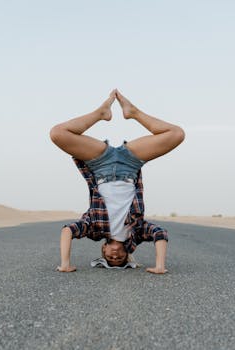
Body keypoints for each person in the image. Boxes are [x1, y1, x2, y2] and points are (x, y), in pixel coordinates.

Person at [50, 89, 185, 274]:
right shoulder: (136, 232)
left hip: (100, 164)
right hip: (130, 164)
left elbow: (67, 231)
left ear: (103, 250)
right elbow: (160, 234)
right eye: (119, 259)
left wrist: (65, 263)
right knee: (177, 134)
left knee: (57, 133)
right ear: (127, 252)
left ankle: (100, 113)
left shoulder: (94, 227)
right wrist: (160, 266)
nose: (115, 256)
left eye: (109, 258)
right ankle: (133, 112)